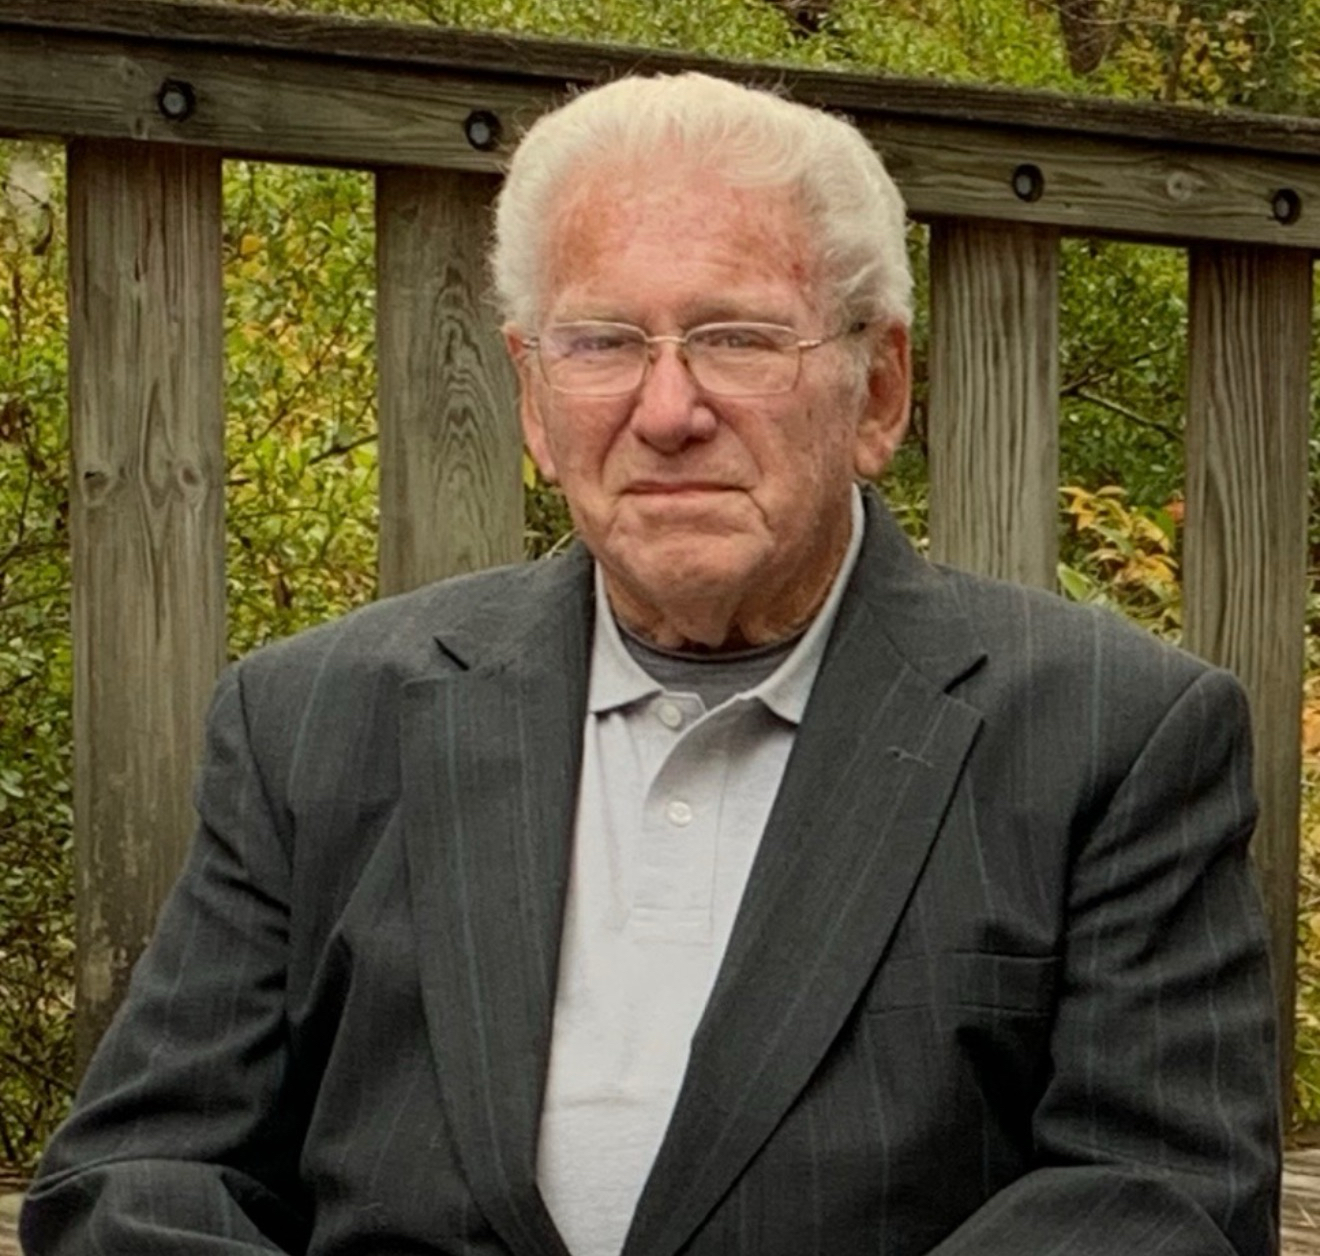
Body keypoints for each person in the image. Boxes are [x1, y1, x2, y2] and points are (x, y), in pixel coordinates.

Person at [22, 72, 1278, 1256]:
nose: (668, 411)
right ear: (532, 401)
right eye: (603, 342)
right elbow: (141, 1173)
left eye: (737, 337)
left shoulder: (1112, 736)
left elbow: (1158, 1200)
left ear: (878, 391)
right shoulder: (312, 720)